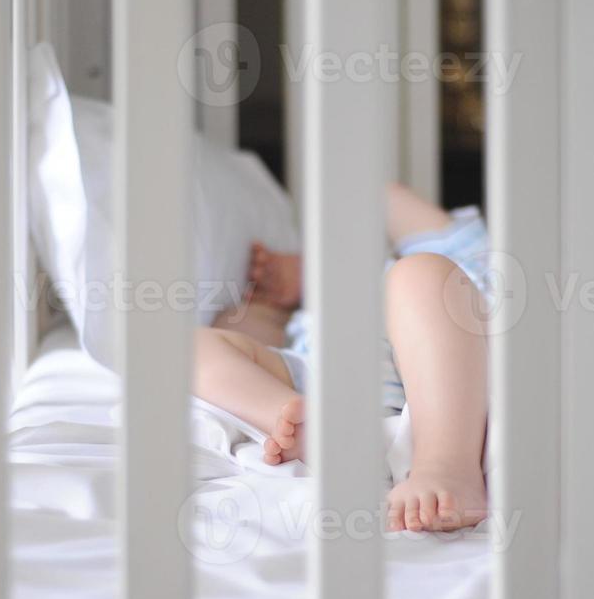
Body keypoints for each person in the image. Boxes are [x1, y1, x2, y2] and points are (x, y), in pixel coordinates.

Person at [193, 184, 492, 532]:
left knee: (421, 273)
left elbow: (380, 193)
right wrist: (276, 301)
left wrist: (312, 270)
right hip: (336, 394)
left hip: (455, 367)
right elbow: (245, 336)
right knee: (189, 347)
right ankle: (299, 422)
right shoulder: (312, 316)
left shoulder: (474, 257)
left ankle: (447, 464)